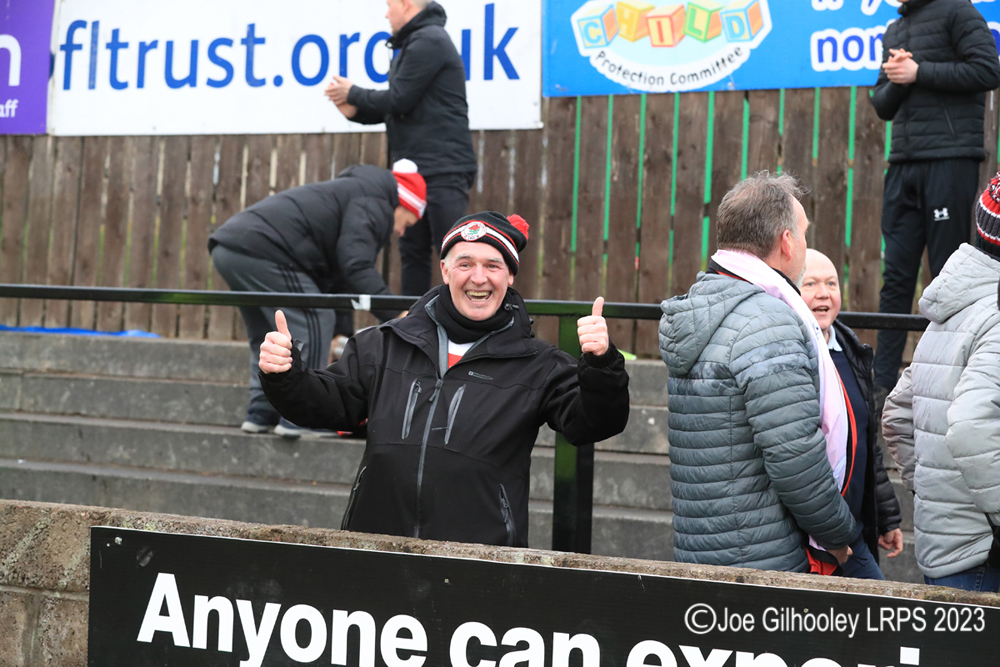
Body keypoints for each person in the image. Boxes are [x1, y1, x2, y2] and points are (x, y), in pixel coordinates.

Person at [257, 211, 630, 546]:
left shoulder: (539, 363)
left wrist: (602, 365)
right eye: (465, 263)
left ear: (511, 275)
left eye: (493, 265)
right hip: (373, 550)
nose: (478, 278)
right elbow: (327, 404)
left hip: (480, 563)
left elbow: (593, 422)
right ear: (446, 270)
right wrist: (285, 373)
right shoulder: (385, 343)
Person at [658, 172, 856, 572]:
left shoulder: (704, 306)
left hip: (706, 552)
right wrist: (838, 534)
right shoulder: (767, 323)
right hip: (766, 561)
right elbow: (795, 456)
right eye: (802, 234)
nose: (804, 244)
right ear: (786, 242)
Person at [209, 161, 426, 439]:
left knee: (269, 337)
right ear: (403, 203)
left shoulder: (356, 191)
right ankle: (299, 420)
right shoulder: (376, 202)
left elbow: (339, 274)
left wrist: (343, 330)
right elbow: (356, 264)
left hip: (231, 246)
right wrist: (398, 314)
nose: (402, 232)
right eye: (407, 222)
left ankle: (261, 414)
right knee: (316, 317)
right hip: (266, 248)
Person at [870, 0, 1000, 400]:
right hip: (903, 164)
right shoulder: (895, 29)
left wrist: (919, 71)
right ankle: (879, 389)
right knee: (895, 280)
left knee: (947, 274)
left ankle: (948, 382)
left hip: (950, 159)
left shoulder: (957, 10)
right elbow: (881, 104)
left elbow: (988, 69)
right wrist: (897, 79)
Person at [882, 173, 1000, 592]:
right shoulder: (994, 315)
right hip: (984, 553)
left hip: (948, 547)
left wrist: (933, 490)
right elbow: (970, 427)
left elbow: (897, 409)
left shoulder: (955, 306)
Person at [325, 0, 478, 297]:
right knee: (413, 253)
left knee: (459, 252)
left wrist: (353, 92)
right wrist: (354, 111)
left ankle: (474, 331)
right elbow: (399, 108)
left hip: (443, 168)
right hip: (415, 173)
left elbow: (399, 98)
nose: (385, 13)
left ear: (406, 5)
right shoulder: (414, 43)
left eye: (388, 5)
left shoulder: (429, 40)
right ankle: (415, 328)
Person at [800, 249, 904, 579]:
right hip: (808, 540)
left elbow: (865, 443)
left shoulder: (850, 349)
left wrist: (886, 518)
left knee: (881, 622)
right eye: (811, 283)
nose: (824, 293)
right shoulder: (792, 351)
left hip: (852, 533)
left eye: (831, 283)